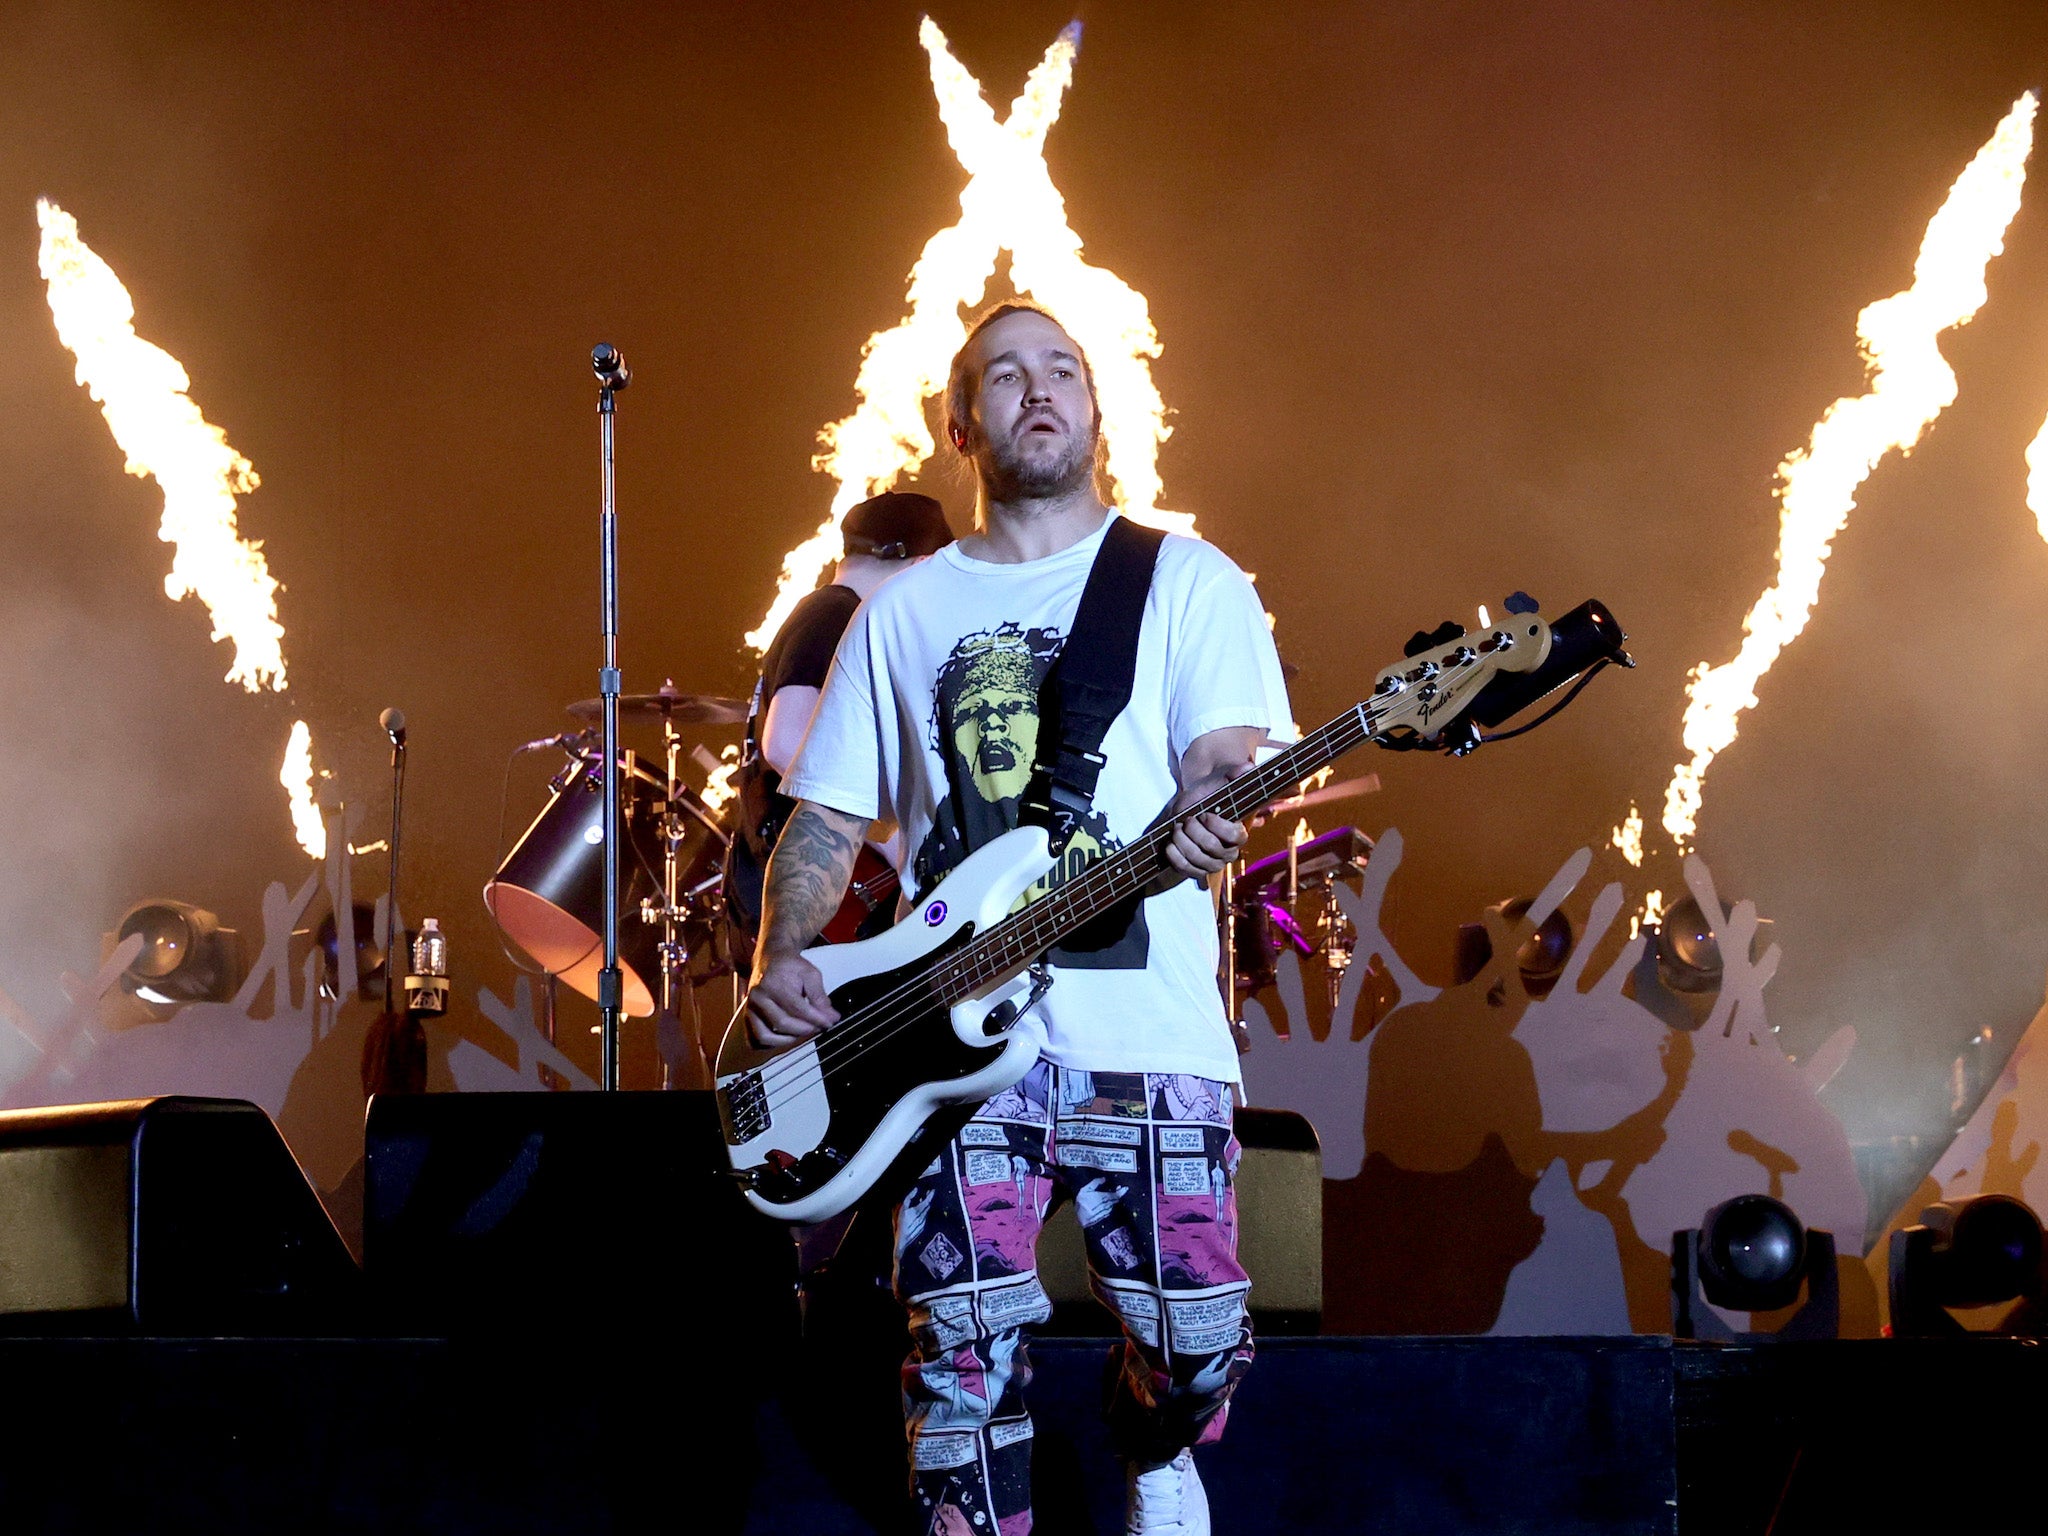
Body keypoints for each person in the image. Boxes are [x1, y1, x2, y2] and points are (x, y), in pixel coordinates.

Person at [747, 302, 1292, 1536]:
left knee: (1201, 1342)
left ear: (1097, 410)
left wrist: (1213, 813)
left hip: (1144, 1027)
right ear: (961, 423)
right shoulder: (898, 613)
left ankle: (1151, 1442)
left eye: (1061, 371)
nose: (1037, 391)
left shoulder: (1185, 578)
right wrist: (781, 957)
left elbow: (1219, 760)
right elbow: (824, 824)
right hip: (950, 1051)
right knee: (957, 1367)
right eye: (1005, 375)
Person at [723, 491, 954, 954]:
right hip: (825, 900)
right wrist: (890, 832)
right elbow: (785, 743)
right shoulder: (834, 615)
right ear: (920, 564)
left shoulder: (828, 612)